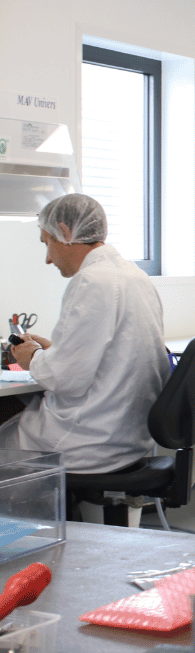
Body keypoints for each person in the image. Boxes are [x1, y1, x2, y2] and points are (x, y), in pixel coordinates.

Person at [0, 194, 170, 477]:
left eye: (47, 243)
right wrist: (55, 350)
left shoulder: (90, 281)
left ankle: (32, 505)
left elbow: (63, 378)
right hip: (128, 437)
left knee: (7, 423)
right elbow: (111, 352)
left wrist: (32, 358)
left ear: (65, 232)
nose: (48, 259)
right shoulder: (134, 275)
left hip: (87, 443)